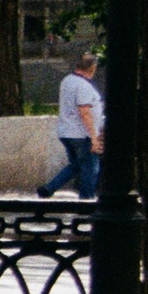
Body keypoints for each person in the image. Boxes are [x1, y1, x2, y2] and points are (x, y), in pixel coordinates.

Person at [39, 52, 104, 199]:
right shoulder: (83, 86)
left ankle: (49, 188)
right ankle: (86, 199)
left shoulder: (67, 80)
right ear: (92, 68)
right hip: (81, 134)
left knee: (75, 165)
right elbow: (85, 112)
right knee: (91, 168)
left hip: (65, 132)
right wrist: (94, 137)